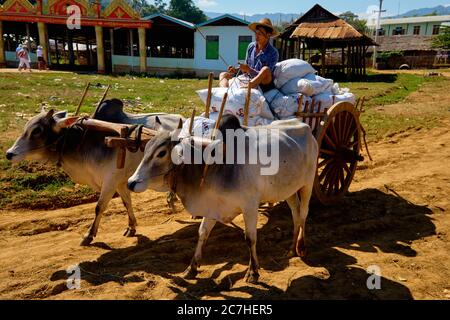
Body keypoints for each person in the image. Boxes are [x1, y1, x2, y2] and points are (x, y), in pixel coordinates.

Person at [219, 18, 279, 92]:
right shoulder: (251, 46)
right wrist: (236, 69)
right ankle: (225, 94)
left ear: (268, 35)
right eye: (256, 33)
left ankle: (246, 89)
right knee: (223, 75)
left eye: (259, 34)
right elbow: (246, 67)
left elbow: (265, 75)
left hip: (263, 83)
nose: (256, 36)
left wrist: (249, 70)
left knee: (265, 69)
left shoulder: (273, 52)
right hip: (248, 78)